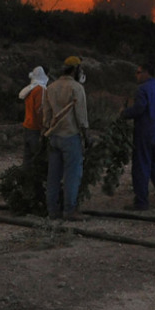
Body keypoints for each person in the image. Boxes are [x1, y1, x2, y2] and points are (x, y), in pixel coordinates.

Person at [120, 62, 155, 210]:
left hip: (145, 131)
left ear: (146, 73)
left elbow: (139, 108)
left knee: (141, 164)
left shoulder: (142, 90)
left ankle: (141, 202)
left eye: (138, 72)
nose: (136, 75)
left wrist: (124, 113)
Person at [41, 56, 90, 221]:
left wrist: (46, 129)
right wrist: (87, 137)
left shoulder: (51, 87)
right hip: (70, 136)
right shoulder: (76, 87)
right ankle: (69, 210)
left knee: (53, 175)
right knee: (72, 174)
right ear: (76, 69)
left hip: (54, 137)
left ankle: (52, 210)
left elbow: (46, 113)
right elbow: (81, 116)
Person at [18, 66, 48, 169]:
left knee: (27, 158)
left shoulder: (29, 89)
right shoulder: (40, 90)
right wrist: (43, 127)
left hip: (27, 125)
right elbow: (40, 110)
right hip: (36, 128)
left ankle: (25, 180)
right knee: (37, 157)